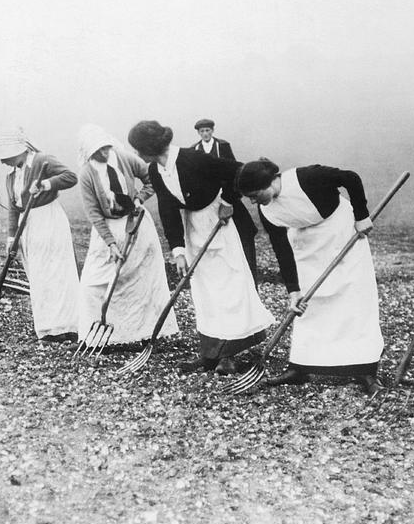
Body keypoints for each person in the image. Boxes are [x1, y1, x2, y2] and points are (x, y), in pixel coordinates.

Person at [127, 120, 273, 374]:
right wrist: (178, 250)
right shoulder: (155, 170)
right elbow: (168, 208)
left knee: (230, 287)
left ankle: (231, 353)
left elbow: (239, 171)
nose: (138, 154)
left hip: (222, 222)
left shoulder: (193, 159)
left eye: (140, 149)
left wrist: (228, 200)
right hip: (193, 226)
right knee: (204, 289)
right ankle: (210, 353)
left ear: (151, 147)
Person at [235, 159, 384, 395]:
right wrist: (293, 290)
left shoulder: (308, 177)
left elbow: (350, 177)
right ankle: (300, 367)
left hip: (342, 232)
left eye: (254, 194)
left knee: (354, 300)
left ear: (269, 181)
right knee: (308, 304)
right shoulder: (267, 211)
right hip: (306, 246)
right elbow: (281, 250)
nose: (253, 201)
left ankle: (365, 369)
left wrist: (362, 215)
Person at [76, 125, 179, 347]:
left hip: (136, 224)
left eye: (106, 147)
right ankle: (95, 336)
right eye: (99, 150)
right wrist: (111, 243)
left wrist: (140, 198)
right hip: (107, 230)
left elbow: (152, 178)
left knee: (142, 281)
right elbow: (93, 212)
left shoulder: (123, 157)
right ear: (89, 152)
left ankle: (146, 334)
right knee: (94, 283)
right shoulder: (86, 174)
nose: (105, 152)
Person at [0, 135, 80, 342]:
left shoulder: (42, 160)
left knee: (56, 271)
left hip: (48, 218)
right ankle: (48, 326)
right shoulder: (11, 176)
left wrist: (46, 184)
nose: (2, 161)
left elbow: (70, 177)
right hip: (28, 223)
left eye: (5, 156)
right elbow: (14, 209)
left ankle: (68, 325)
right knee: (38, 273)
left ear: (17, 150)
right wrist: (11, 238)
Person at [191, 118, 258, 282]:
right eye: (202, 131)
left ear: (212, 131)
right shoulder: (194, 149)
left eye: (208, 130)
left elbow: (234, 168)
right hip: (208, 197)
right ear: (198, 133)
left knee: (244, 229)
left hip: (227, 193)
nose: (205, 134)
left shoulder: (223, 146)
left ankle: (249, 274)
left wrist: (229, 195)